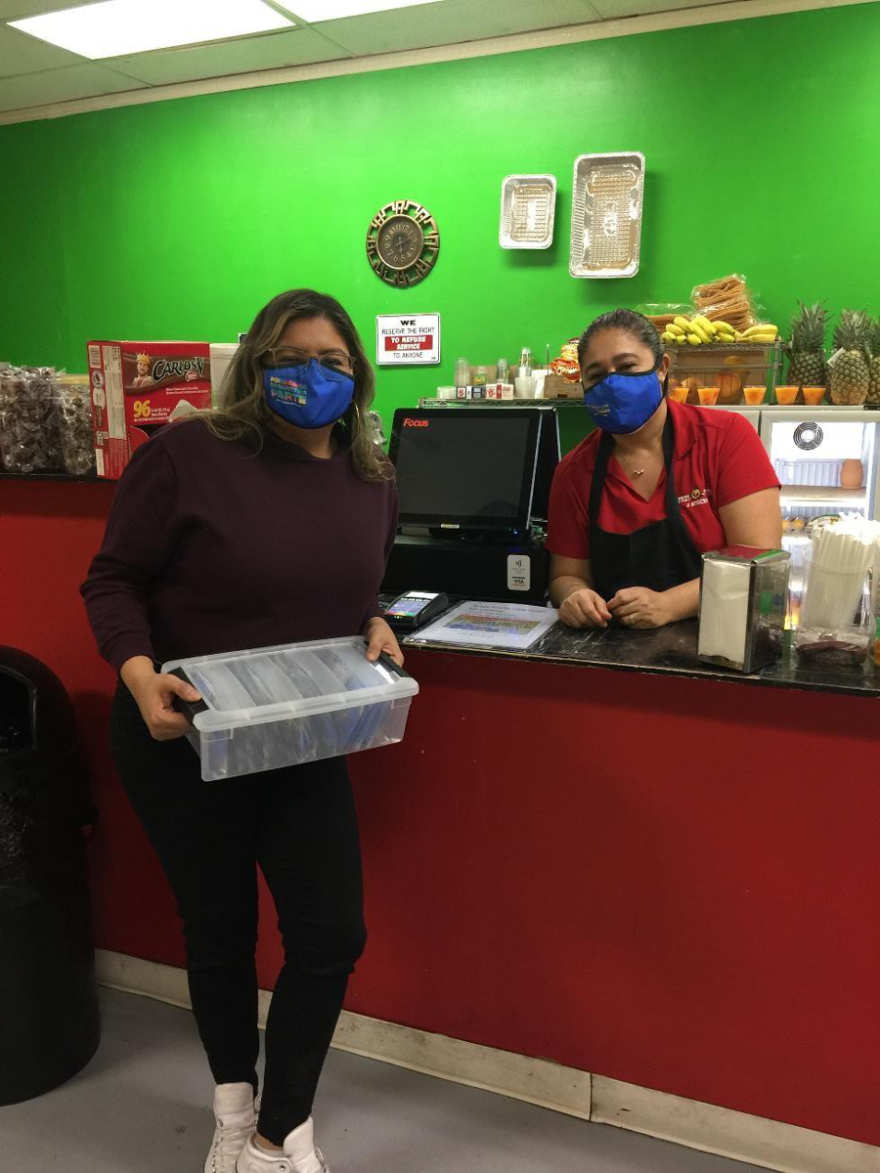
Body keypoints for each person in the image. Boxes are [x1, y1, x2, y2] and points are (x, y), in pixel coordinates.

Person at [81, 289, 402, 1173]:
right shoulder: (188, 454)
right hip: (181, 732)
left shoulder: (370, 474)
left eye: (333, 362)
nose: (312, 376)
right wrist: (142, 677)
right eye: (290, 359)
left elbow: (347, 580)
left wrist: (372, 621)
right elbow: (112, 582)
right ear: (255, 368)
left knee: (331, 934)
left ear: (358, 376)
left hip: (297, 734)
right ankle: (234, 1106)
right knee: (218, 931)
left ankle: (278, 1131)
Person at [547, 308, 781, 629]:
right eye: (597, 375)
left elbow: (759, 560)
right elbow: (566, 574)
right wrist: (575, 596)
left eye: (628, 366)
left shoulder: (725, 438)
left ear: (662, 368)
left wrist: (669, 604)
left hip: (720, 643)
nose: (613, 383)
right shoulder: (574, 472)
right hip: (616, 652)